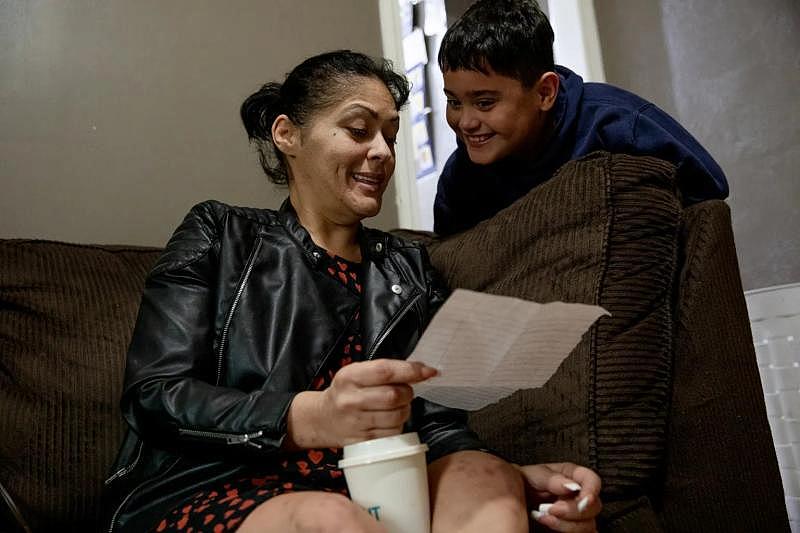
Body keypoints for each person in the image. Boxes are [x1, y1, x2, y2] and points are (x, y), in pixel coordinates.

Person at [103, 50, 601, 532]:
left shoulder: (409, 268)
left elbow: (438, 422)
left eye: (390, 136)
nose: (383, 153)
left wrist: (515, 482)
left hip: (380, 483)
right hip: (217, 485)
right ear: (287, 134)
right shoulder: (221, 233)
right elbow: (154, 395)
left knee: (485, 478)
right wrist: (309, 417)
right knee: (329, 519)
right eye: (360, 130)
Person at [433, 0, 730, 236]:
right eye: (453, 102)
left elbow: (709, 186)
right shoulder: (460, 177)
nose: (466, 122)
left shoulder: (618, 124)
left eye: (485, 103)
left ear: (545, 93)